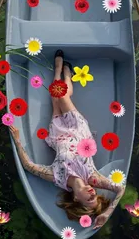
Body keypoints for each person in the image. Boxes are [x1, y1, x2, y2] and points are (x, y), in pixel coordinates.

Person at [9, 49, 125, 229]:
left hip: (58, 132)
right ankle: (63, 71)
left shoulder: (57, 177)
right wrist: (107, 213)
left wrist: (17, 139)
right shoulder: (92, 178)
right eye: (95, 195)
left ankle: (61, 72)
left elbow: (29, 166)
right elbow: (120, 188)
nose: (93, 192)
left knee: (55, 97)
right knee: (61, 94)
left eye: (90, 198)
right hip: (78, 128)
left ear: (76, 198)